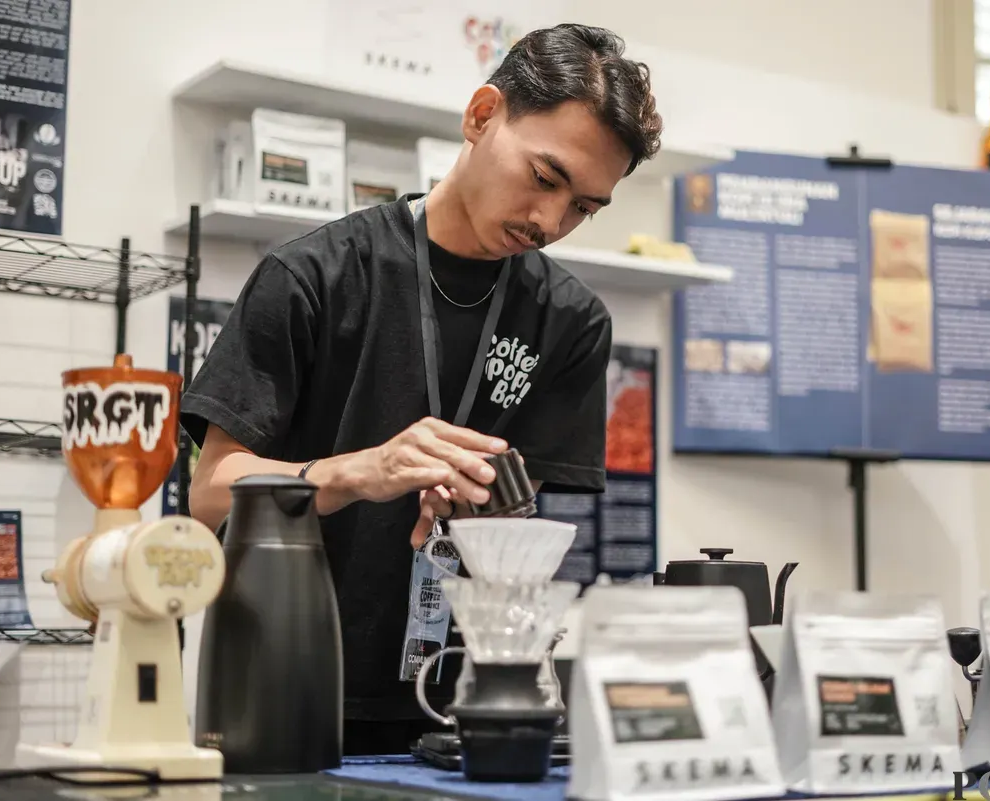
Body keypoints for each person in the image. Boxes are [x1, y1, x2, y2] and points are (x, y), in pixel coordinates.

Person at [181, 22, 663, 756]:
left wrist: (486, 513)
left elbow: (528, 525)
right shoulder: (314, 277)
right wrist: (357, 472)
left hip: (472, 706)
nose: (550, 221)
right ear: (480, 116)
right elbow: (212, 491)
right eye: (544, 178)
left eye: (584, 208)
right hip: (290, 681)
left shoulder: (570, 323)